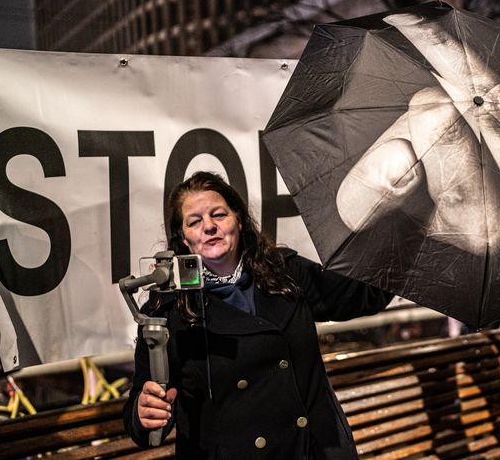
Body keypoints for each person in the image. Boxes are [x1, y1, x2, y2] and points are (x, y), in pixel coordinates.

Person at [123, 171, 393, 459]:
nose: (209, 227)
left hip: (315, 450)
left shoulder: (285, 272)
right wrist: (144, 413)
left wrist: (396, 222)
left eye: (219, 215)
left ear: (238, 220)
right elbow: (144, 409)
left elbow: (362, 295)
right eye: (195, 222)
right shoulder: (168, 309)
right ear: (183, 238)